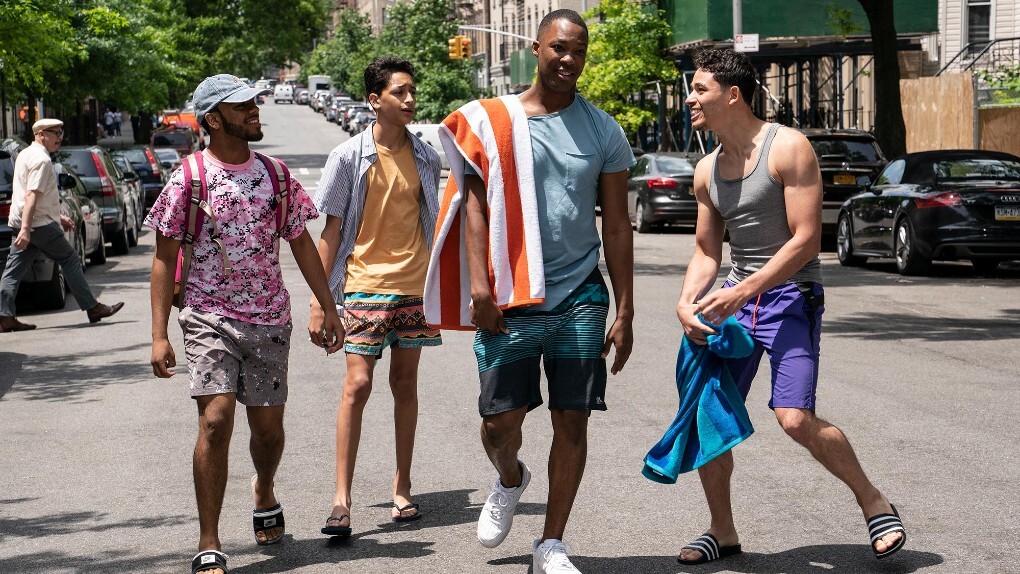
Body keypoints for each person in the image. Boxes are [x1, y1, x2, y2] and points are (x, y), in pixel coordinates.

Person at [674, 48, 906, 564]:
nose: (690, 98)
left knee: (794, 417)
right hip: (736, 300)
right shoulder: (706, 169)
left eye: (699, 89)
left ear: (732, 95)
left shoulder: (788, 147)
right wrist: (687, 303)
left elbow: (805, 241)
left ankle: (874, 501)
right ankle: (722, 531)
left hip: (790, 295)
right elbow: (706, 251)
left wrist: (742, 291)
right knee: (710, 416)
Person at [425, 10, 634, 573]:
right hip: (510, 297)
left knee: (573, 418)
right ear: (537, 48)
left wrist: (626, 309)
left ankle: (551, 544)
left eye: (579, 51)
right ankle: (510, 477)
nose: (570, 59)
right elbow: (472, 205)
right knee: (500, 422)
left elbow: (617, 226)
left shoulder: (603, 130)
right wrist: (480, 287)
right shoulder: (493, 121)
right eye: (560, 48)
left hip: (581, 295)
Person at [146, 74, 343, 574]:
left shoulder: (276, 175)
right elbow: (164, 258)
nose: (255, 109)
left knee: (268, 430)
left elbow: (301, 242)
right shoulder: (189, 178)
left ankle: (264, 488)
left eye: (254, 102)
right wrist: (158, 334)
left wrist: (328, 304)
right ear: (214, 119)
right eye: (242, 106)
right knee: (215, 421)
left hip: (270, 318)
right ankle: (209, 540)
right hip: (208, 315)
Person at [311, 56, 442, 538]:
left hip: (414, 286)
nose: (409, 99)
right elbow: (331, 232)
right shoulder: (348, 157)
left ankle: (402, 487)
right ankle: (341, 499)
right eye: (399, 92)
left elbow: (435, 222)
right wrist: (321, 302)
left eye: (412, 91)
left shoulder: (426, 156)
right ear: (374, 100)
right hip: (364, 285)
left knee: (405, 385)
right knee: (357, 385)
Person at [0, 118, 124, 332]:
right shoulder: (41, 160)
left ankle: (5, 317)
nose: (60, 138)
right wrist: (27, 230)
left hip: (24, 221)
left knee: (13, 270)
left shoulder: (25, 154)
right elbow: (31, 196)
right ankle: (93, 308)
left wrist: (56, 217)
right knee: (69, 259)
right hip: (37, 225)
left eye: (61, 133)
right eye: (55, 133)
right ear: (41, 135)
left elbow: (39, 196)